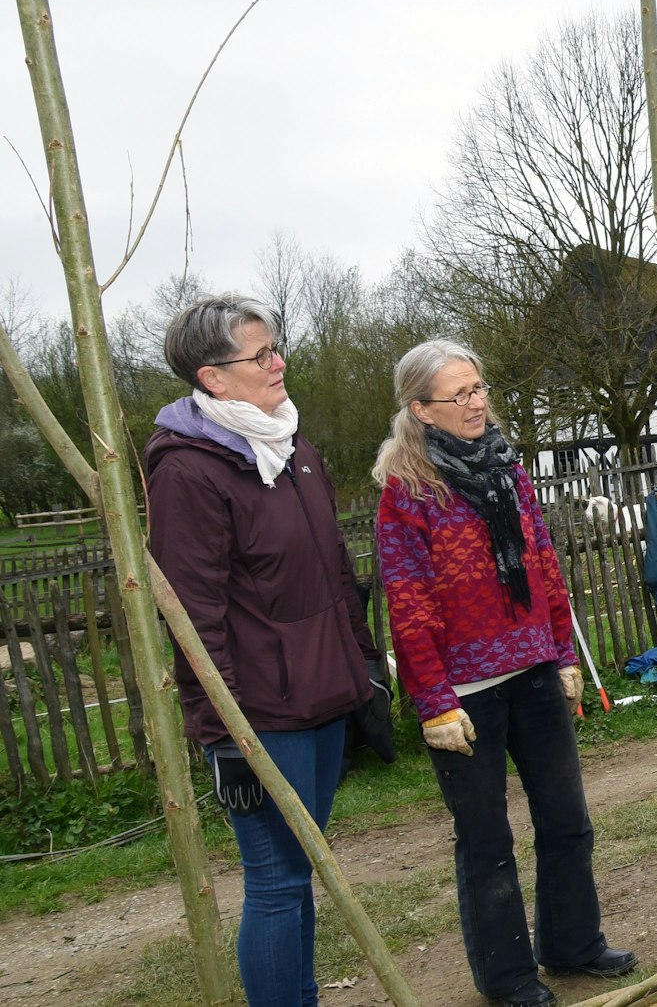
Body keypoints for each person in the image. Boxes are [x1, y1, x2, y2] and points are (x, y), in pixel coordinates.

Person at [373, 340, 635, 1007]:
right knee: (486, 840)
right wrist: (432, 700)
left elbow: (543, 559)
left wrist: (564, 651)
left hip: (535, 670)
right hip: (464, 695)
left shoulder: (506, 468)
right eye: (458, 395)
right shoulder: (408, 491)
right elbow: (409, 599)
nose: (476, 403)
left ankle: (572, 942)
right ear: (421, 409)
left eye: (479, 388)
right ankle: (509, 976)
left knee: (567, 818)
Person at [144, 294, 382, 1007]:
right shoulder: (188, 470)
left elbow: (337, 569)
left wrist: (364, 662)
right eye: (261, 355)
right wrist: (221, 737)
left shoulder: (293, 445)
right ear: (213, 377)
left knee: (306, 866)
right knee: (277, 878)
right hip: (260, 716)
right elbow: (193, 614)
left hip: (324, 696)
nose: (278, 363)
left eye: (276, 348)